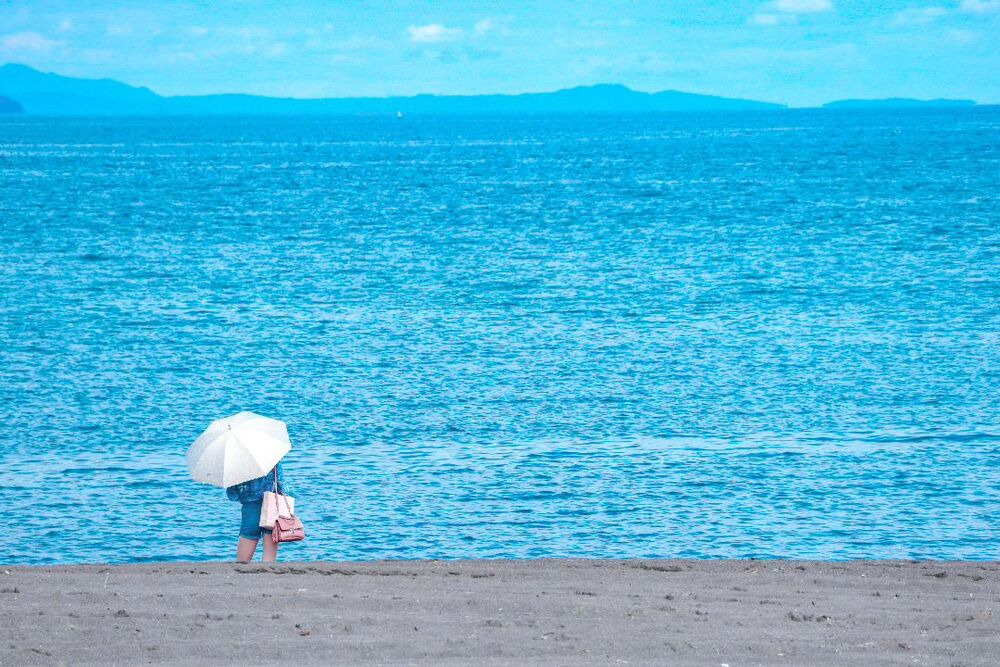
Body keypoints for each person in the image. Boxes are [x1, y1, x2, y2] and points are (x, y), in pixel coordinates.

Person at [226, 462, 290, 563]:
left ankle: (242, 575)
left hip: (250, 505)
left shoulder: (236, 460)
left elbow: (232, 494)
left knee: (243, 559)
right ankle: (267, 574)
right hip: (272, 502)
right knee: (269, 559)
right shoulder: (270, 454)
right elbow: (281, 482)